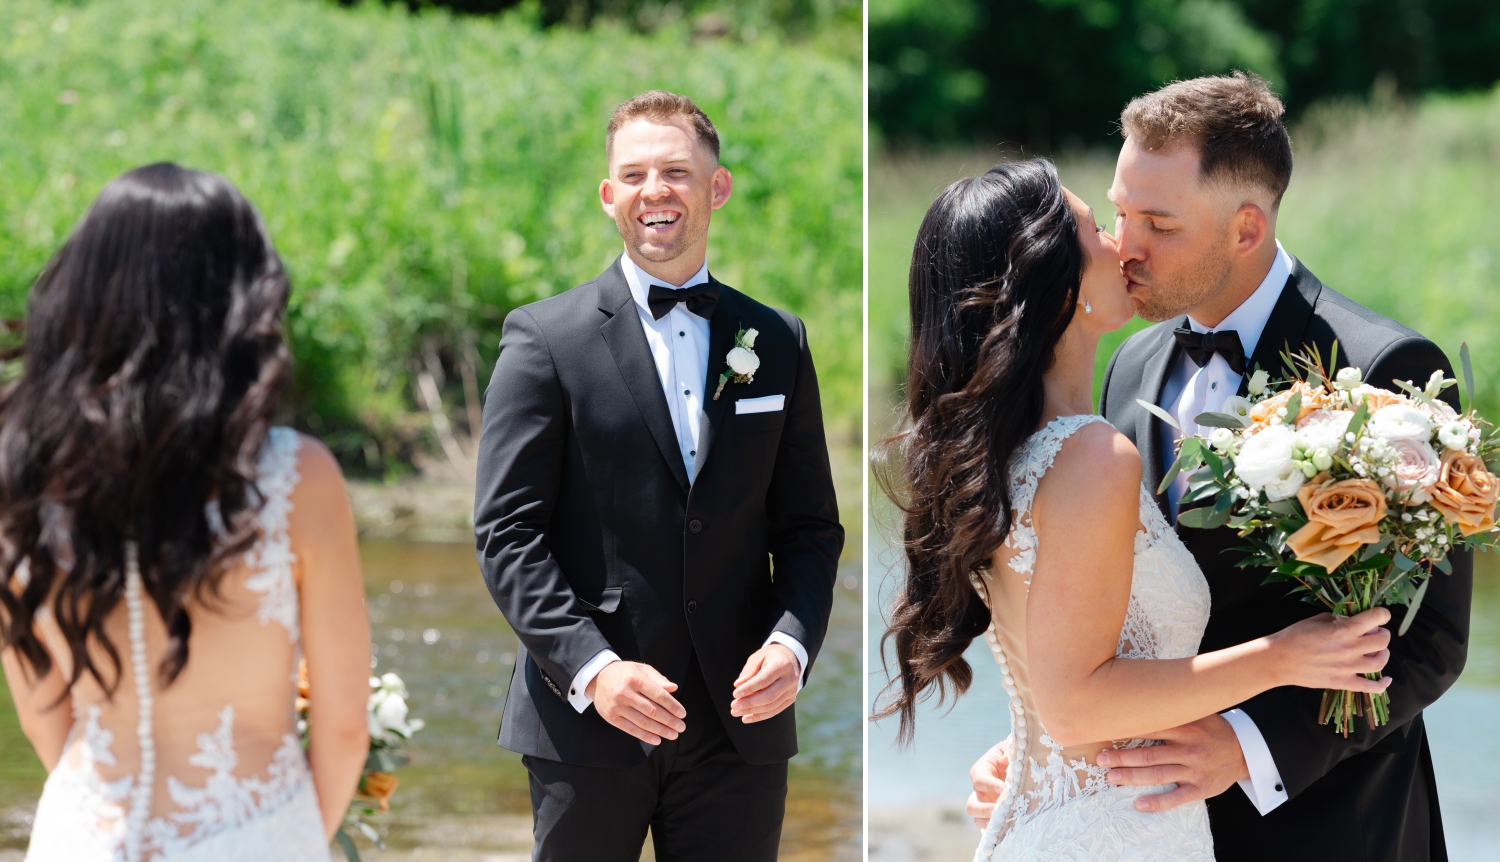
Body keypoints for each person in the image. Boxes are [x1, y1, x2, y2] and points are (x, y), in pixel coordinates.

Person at [964, 73, 1470, 862]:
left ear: (1245, 227)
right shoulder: (1127, 365)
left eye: (1159, 223)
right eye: (1122, 211)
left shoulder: (1382, 369)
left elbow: (1430, 641)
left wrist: (1249, 748)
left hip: (1333, 824)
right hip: (1154, 822)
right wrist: (1047, 752)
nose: (1127, 245)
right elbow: (1109, 609)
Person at [876, 154, 1399, 860]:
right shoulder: (1092, 452)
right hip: (1117, 830)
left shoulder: (1009, 449)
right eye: (1099, 227)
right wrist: (1284, 656)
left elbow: (1064, 657)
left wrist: (1029, 753)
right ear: (1056, 287)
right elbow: (1075, 702)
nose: (1122, 245)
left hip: (1067, 819)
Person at [473, 91, 843, 862]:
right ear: (610, 196)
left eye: (675, 171)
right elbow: (507, 536)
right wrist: (594, 671)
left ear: (718, 187)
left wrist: (794, 643)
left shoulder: (777, 339)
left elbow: (810, 527)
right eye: (634, 174)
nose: (655, 191)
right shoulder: (543, 340)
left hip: (741, 725)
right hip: (588, 722)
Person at [0, 163, 372, 861]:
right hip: (254, 838)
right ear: (239, 296)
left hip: (82, 833)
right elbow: (345, 726)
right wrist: (290, 838)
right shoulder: (297, 475)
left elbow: (42, 712)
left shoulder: (16, 473)